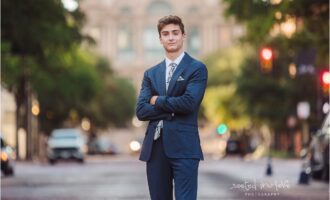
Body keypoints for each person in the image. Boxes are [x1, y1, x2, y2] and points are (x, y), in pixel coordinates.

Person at [136, 15, 208, 200]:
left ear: (183, 35)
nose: (171, 37)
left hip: (185, 147)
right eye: (165, 34)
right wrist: (172, 108)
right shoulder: (151, 74)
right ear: (160, 39)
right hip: (155, 149)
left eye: (175, 33)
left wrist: (157, 100)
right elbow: (141, 111)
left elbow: (188, 103)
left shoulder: (197, 68)